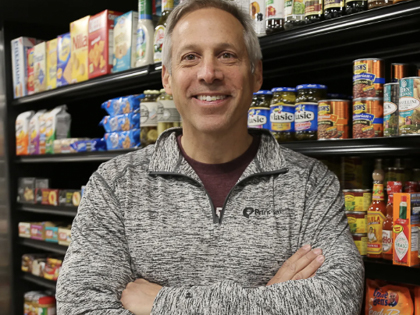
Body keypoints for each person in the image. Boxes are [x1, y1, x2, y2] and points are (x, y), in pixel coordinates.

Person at [56, 0, 364, 314]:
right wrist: (270, 299)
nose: (208, 73)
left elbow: (338, 301)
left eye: (227, 55)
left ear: (256, 74)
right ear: (167, 78)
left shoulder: (312, 183)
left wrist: (164, 303)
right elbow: (80, 306)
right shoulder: (114, 184)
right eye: (190, 57)